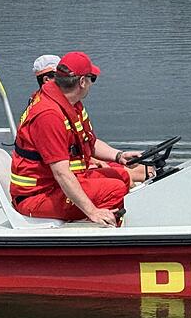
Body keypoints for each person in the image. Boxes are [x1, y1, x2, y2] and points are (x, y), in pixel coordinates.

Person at [11, 51, 144, 226]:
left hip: (55, 185)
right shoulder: (49, 115)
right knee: (115, 189)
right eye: (92, 79)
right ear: (82, 82)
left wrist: (119, 156)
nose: (92, 84)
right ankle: (103, 230)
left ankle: (111, 222)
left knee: (122, 177)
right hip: (37, 195)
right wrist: (92, 211)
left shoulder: (71, 104)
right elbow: (61, 173)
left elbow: (89, 142)